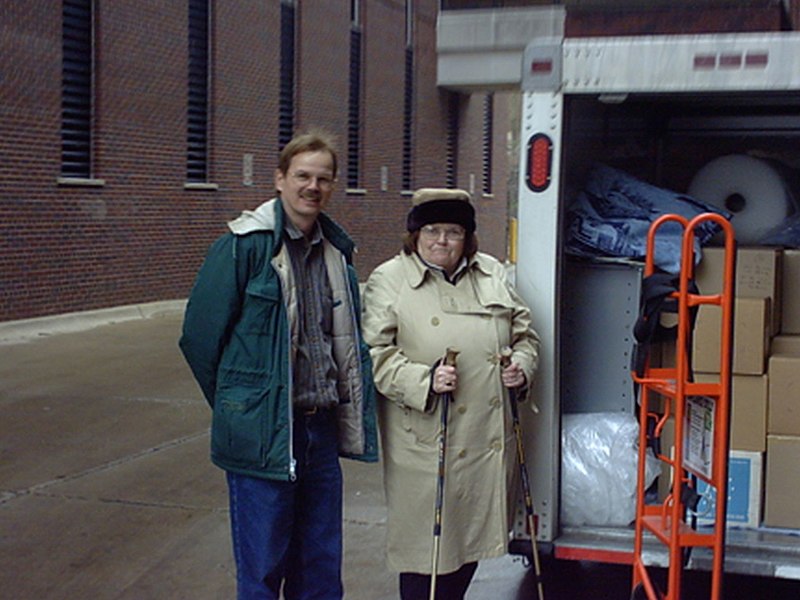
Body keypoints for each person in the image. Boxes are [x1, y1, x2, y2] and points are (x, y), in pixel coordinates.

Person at [179, 131, 378, 600]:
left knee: (320, 568)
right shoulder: (243, 248)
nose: (313, 187)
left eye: (323, 179)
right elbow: (200, 339)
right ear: (280, 179)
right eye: (303, 176)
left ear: (332, 186)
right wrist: (243, 406)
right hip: (265, 435)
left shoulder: (337, 253)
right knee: (263, 570)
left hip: (320, 432)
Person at [361, 188, 541, 599]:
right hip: (427, 438)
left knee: (467, 543)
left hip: (485, 437)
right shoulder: (390, 280)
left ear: (468, 237)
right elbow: (374, 354)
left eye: (454, 231)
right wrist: (423, 380)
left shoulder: (491, 271)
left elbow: (526, 335)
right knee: (425, 550)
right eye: (432, 230)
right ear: (415, 235)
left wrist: (522, 367)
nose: (442, 240)